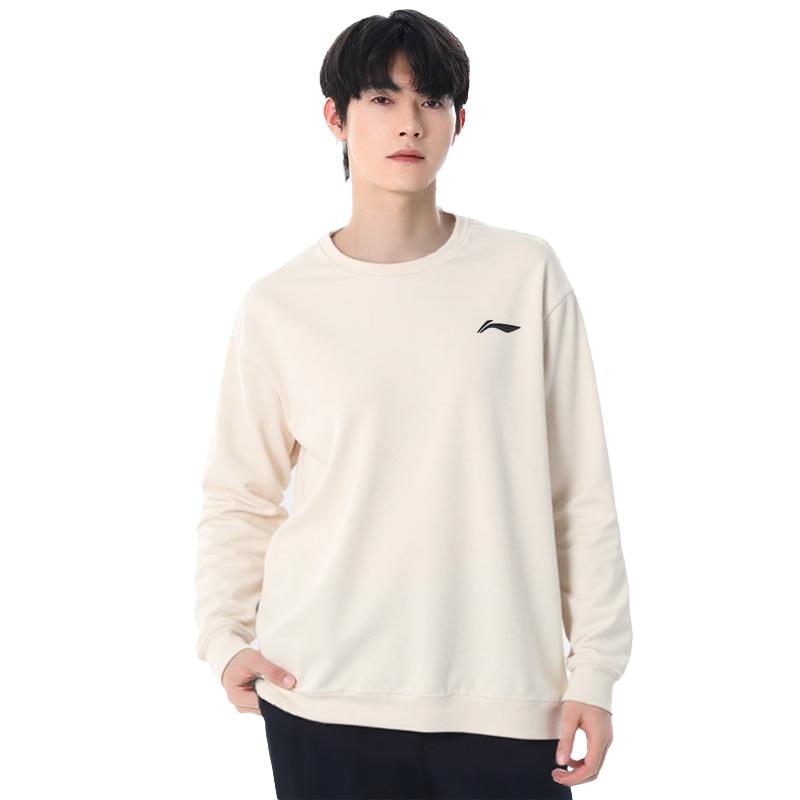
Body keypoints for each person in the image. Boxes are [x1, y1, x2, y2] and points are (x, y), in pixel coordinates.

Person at [194, 9, 632, 800]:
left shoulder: (524, 274)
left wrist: (595, 670)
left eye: (432, 100)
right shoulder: (280, 305)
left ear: (460, 120)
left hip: (506, 700)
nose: (410, 122)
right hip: (320, 694)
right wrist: (224, 638)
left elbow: (581, 491)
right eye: (382, 98)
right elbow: (240, 495)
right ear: (335, 117)